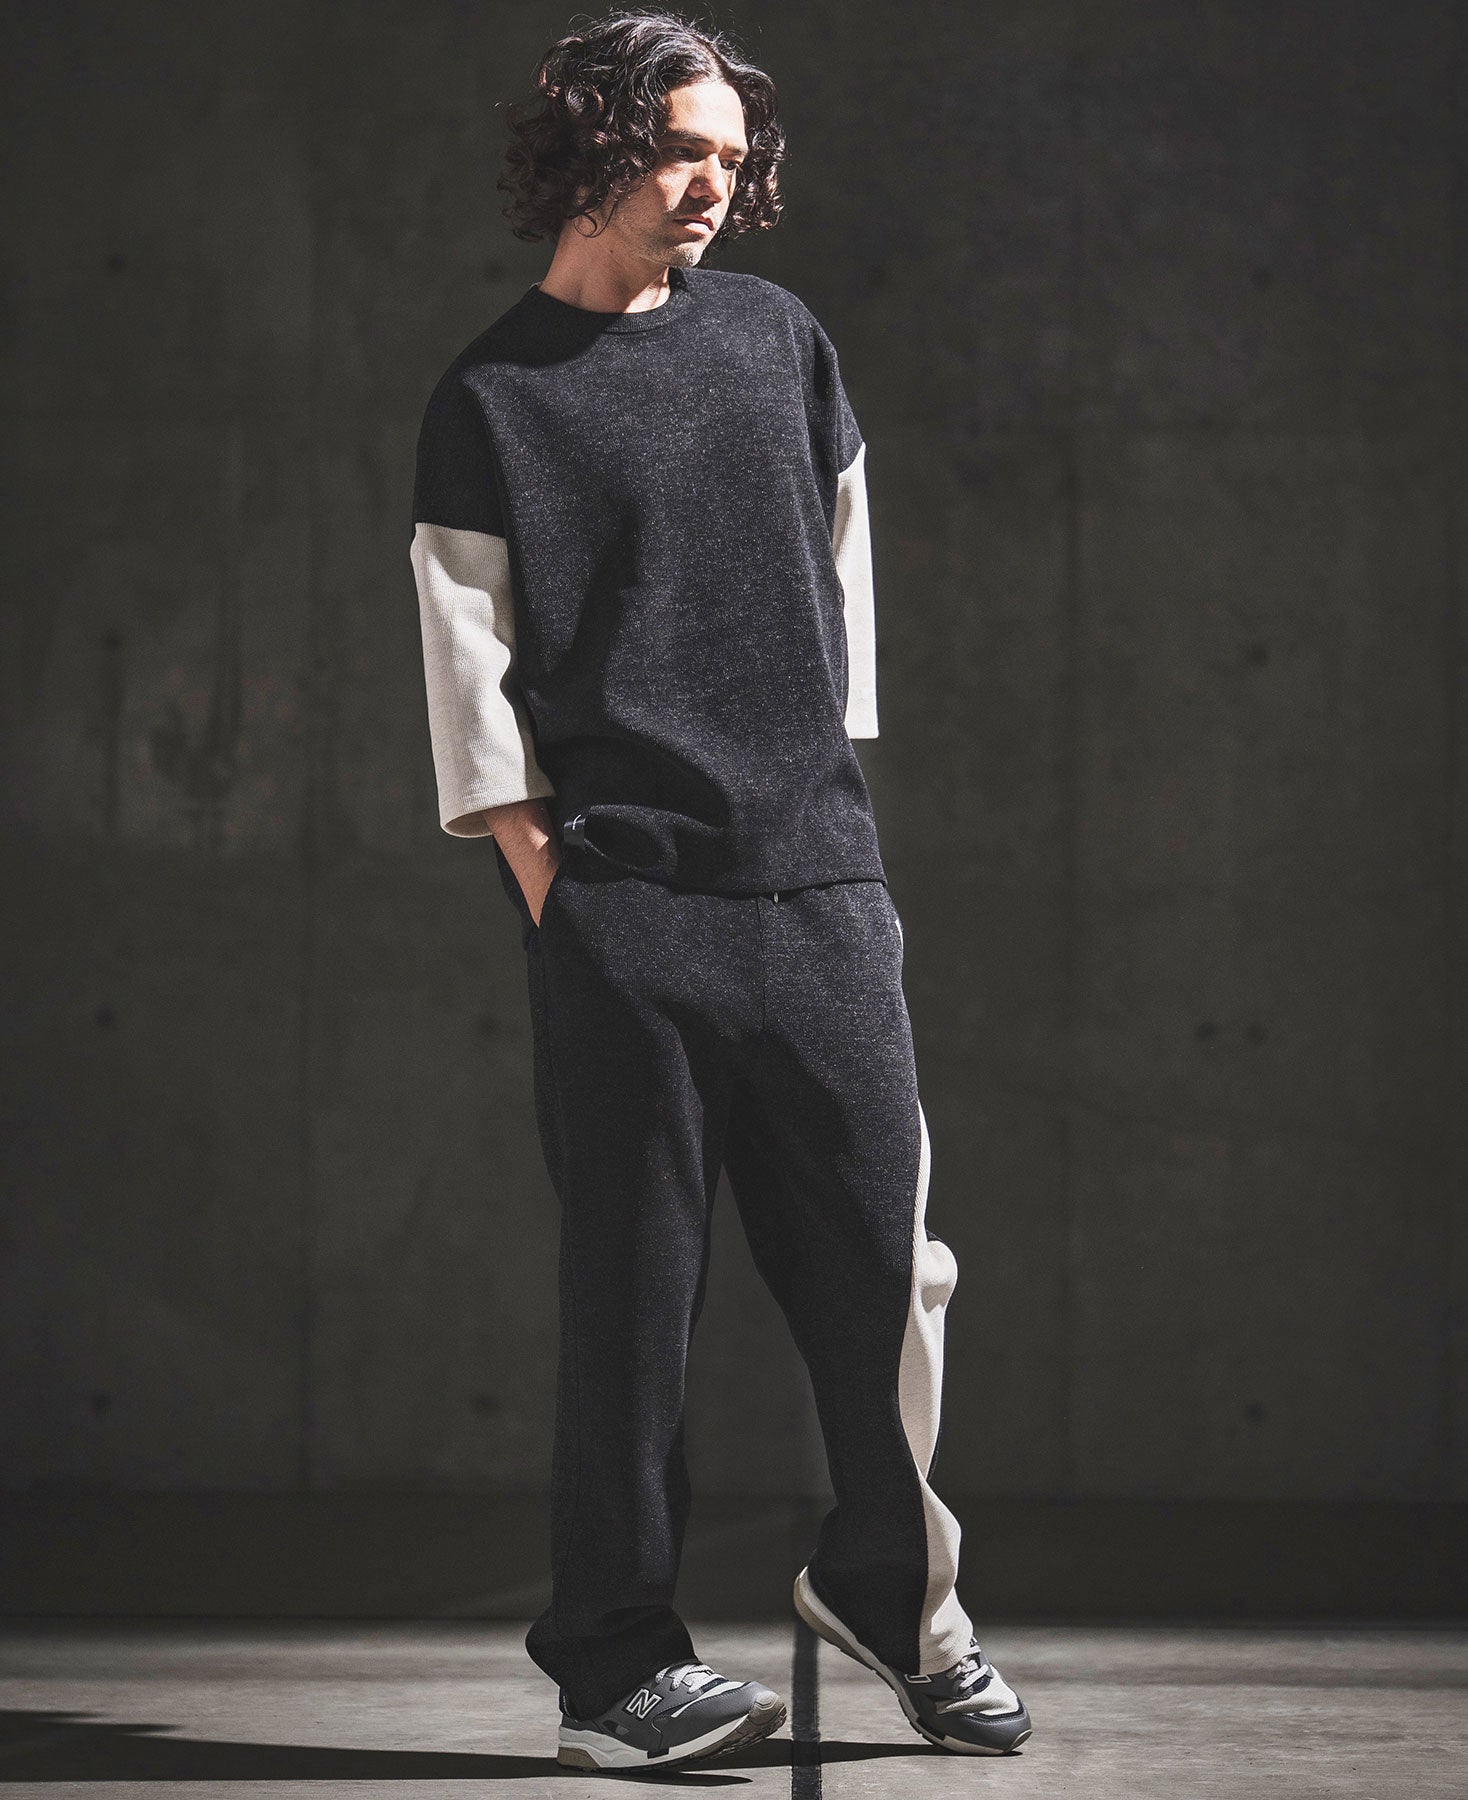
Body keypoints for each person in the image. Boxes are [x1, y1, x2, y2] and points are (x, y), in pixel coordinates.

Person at [408, 8, 1031, 1772]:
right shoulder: (494, 397)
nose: (715, 181)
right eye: (682, 146)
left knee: (889, 1279)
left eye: (731, 154)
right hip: (627, 913)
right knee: (633, 1305)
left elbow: (841, 574)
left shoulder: (776, 338)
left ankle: (897, 1597)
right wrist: (560, 891)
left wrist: (818, 802)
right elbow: (467, 667)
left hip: (817, 885)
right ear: (592, 144)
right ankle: (614, 1668)